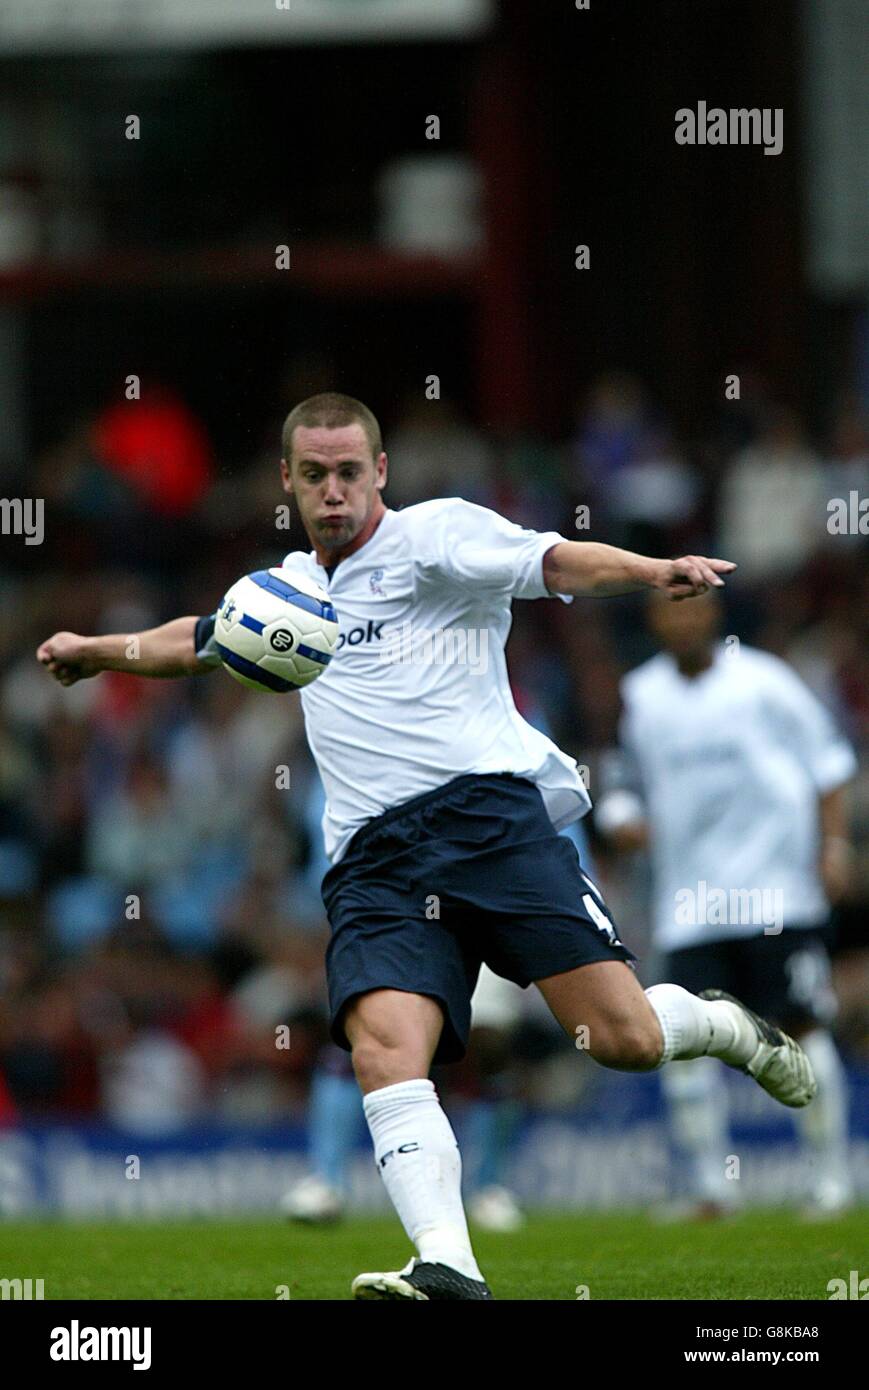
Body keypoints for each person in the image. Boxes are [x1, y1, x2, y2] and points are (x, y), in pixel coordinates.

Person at [38, 392, 817, 1301]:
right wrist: (98, 648)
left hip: (489, 822)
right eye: (314, 475)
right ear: (287, 482)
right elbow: (203, 640)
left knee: (624, 1040)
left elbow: (551, 558)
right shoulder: (289, 589)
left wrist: (650, 571)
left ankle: (721, 1022)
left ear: (379, 474)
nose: (334, 492)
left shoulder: (436, 537)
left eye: (349, 473)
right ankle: (448, 1262)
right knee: (383, 1049)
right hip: (374, 856)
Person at [596, 591, 856, 1218]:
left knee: (803, 1027)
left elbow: (829, 766)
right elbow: (621, 785)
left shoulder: (766, 682)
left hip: (776, 893)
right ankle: (713, 1187)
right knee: (682, 1039)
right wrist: (623, 818)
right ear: (655, 619)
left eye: (693, 607)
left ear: (713, 614)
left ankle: (831, 1180)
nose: (683, 619)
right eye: (670, 608)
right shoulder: (641, 696)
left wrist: (835, 846)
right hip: (690, 904)